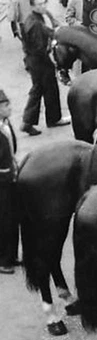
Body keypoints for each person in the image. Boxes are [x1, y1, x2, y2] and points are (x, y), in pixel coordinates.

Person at [20, 0, 67, 135]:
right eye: (39, 4)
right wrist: (53, 51)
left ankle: (36, 120)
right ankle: (37, 121)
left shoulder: (37, 17)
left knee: (43, 89)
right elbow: (39, 47)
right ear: (32, 6)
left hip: (35, 60)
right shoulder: (35, 24)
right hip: (39, 61)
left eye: (43, 3)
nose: (42, 6)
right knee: (44, 89)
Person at [0, 90, 18, 274]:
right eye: (5, 105)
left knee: (12, 218)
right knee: (3, 220)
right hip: (2, 181)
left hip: (10, 176)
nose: (10, 108)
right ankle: (3, 260)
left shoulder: (6, 124)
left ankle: (11, 255)